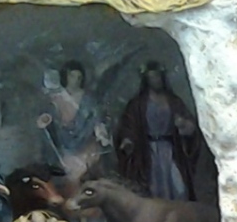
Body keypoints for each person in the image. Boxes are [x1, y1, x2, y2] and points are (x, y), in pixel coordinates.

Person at [115, 62, 203, 203]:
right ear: (146, 80)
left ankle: (179, 212)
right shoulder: (138, 104)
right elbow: (128, 125)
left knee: (179, 186)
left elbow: (190, 126)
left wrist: (184, 125)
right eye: (152, 77)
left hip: (170, 149)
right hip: (148, 151)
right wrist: (128, 139)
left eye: (158, 77)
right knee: (153, 188)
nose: (156, 80)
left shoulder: (174, 102)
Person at [37, 60, 109, 181]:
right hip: (63, 144)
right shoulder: (56, 97)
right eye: (72, 76)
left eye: (79, 77)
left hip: (85, 143)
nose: (76, 80)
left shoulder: (88, 98)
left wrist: (100, 131)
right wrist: (45, 119)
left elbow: (96, 118)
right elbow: (49, 115)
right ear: (65, 76)